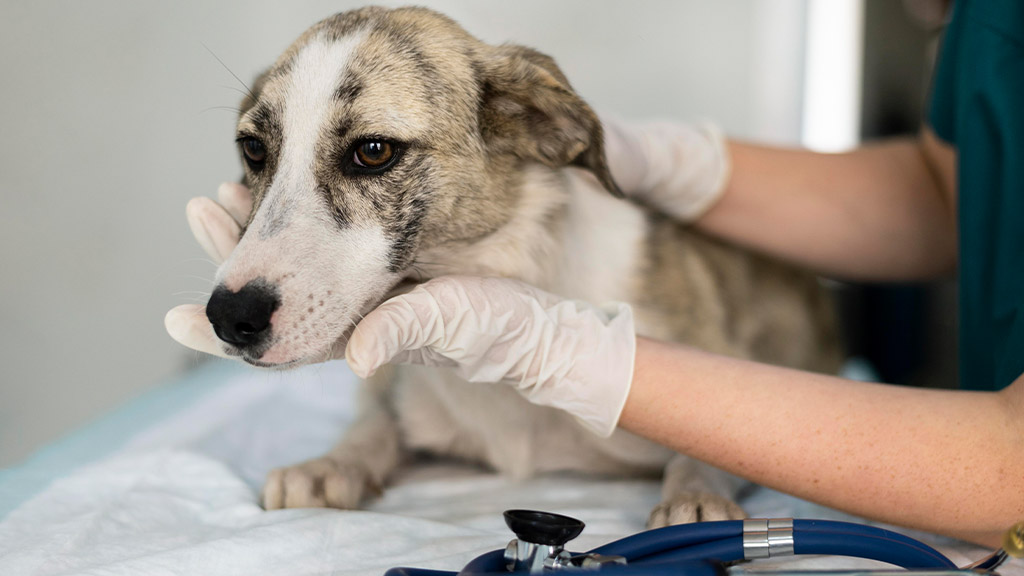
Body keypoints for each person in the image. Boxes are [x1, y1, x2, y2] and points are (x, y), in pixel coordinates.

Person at [167, 0, 1022, 548]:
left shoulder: (642, 277)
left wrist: (609, 388)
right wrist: (691, 165)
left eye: (372, 152)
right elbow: (960, 191)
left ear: (523, 123)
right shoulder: (989, 27)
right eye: (259, 149)